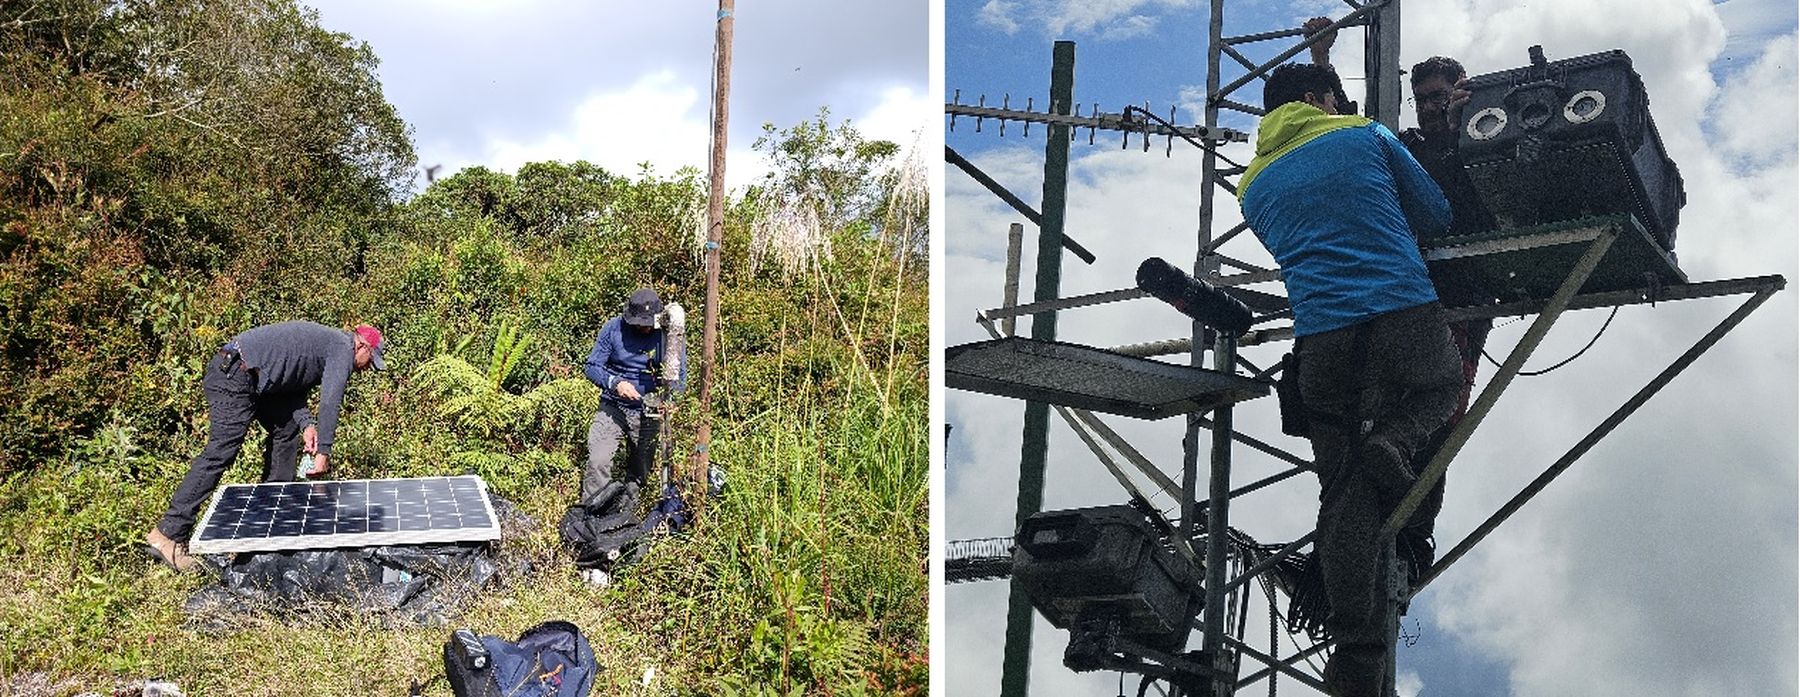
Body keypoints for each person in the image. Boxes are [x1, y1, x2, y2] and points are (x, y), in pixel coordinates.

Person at [1237, 63, 1464, 697]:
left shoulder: (1251, 184)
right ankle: (1396, 438)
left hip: (1322, 342)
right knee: (1442, 387)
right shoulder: (1364, 134)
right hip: (1402, 311)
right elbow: (1436, 213)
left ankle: (1356, 657)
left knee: (1343, 493)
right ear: (1318, 98)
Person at [1306, 18, 1499, 579]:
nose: (1431, 108)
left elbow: (1476, 203)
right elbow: (1346, 132)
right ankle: (1350, 547)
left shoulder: (1484, 142)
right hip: (1401, 299)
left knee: (1436, 421)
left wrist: (1463, 128)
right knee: (1370, 419)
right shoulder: (1407, 146)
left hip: (1458, 302)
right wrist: (1322, 62)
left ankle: (1411, 540)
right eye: (1423, 99)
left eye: (1441, 97)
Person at [145, 321, 387, 571]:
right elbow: (329, 403)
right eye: (370, 361)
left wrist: (307, 424)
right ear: (361, 346)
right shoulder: (342, 347)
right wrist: (323, 453)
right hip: (235, 374)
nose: (366, 369)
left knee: (286, 428)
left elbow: (288, 386)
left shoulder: (327, 345)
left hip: (248, 374)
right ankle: (169, 533)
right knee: (220, 452)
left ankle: (269, 520)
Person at [580, 288, 686, 505]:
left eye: (648, 323)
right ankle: (591, 511)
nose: (644, 328)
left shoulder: (669, 335)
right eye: (639, 323)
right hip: (613, 406)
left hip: (650, 411)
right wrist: (615, 383)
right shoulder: (613, 328)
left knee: (640, 469)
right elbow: (592, 367)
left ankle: (627, 511)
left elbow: (679, 376)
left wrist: (671, 401)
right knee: (598, 460)